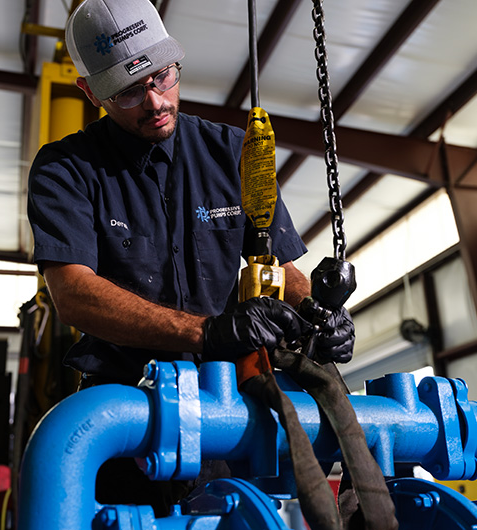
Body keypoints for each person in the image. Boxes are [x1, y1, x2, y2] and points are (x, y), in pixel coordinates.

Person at [27, 0, 354, 515]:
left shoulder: (232, 151)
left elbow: (281, 269)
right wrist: (206, 332)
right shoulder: (65, 171)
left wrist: (324, 316)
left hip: (229, 412)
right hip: (125, 416)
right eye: (130, 91)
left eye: (163, 77)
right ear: (90, 92)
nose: (155, 101)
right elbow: (73, 293)